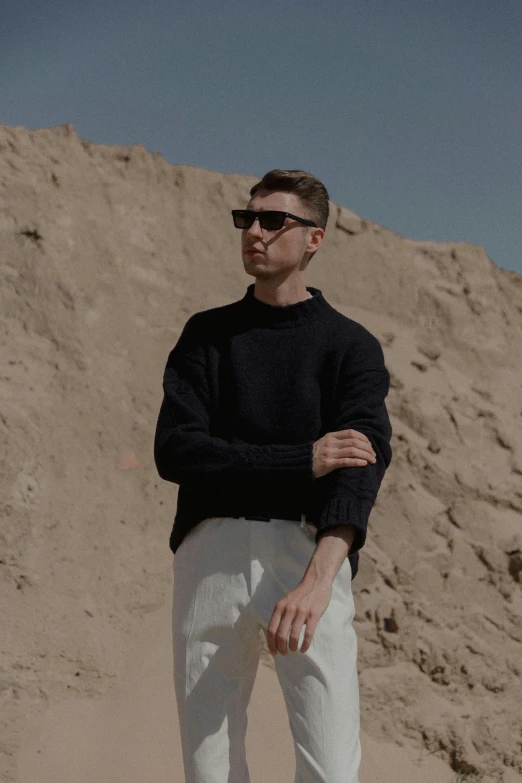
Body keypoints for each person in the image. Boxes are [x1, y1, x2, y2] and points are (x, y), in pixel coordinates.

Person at [153, 169, 393, 783]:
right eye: (246, 219)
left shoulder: (350, 346)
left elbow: (359, 471)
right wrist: (300, 460)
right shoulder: (206, 336)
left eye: (272, 220)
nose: (253, 231)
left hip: (308, 550)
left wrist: (318, 582)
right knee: (209, 768)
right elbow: (178, 453)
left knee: (331, 767)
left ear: (313, 239)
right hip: (211, 552)